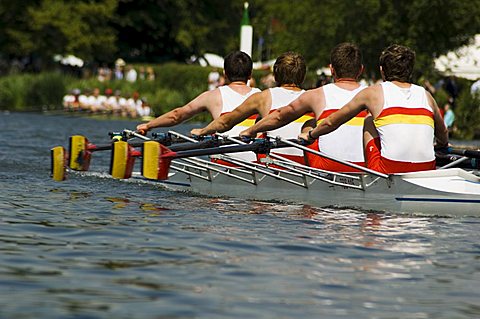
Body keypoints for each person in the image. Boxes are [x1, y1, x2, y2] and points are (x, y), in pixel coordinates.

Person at [298, 44, 449, 174]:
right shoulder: (426, 95)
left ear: (382, 71)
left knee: (369, 120)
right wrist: (442, 147)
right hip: (427, 169)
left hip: (389, 169)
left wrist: (311, 135)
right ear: (410, 70)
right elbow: (443, 133)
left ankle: (371, 175)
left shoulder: (373, 92)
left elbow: (332, 122)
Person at [240, 42, 367, 172]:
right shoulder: (372, 94)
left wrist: (250, 131)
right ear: (361, 69)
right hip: (363, 167)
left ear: (331, 69)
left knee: (307, 125)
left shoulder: (314, 95)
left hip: (298, 164)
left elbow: (277, 117)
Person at [191, 51, 308, 164]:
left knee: (259, 131)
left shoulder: (263, 97)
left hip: (273, 165)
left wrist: (202, 131)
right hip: (305, 166)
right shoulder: (313, 98)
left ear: (275, 75)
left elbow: (226, 122)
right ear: (303, 76)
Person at [136, 51, 260, 135]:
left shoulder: (213, 96)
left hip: (224, 162)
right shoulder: (263, 96)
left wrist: (148, 125)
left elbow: (177, 116)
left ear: (224, 73)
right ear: (250, 75)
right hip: (257, 163)